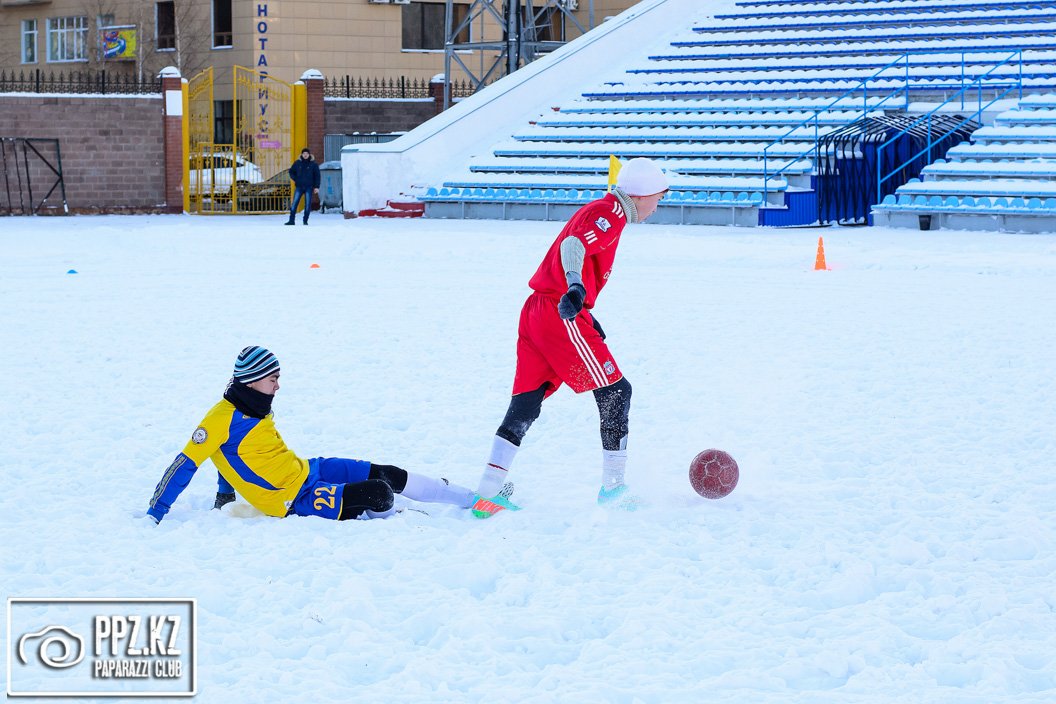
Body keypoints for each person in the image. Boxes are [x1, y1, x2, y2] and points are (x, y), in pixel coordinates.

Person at [471, 158, 669, 519]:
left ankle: (488, 492)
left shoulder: (606, 211)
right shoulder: (610, 213)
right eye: (659, 197)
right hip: (558, 312)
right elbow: (573, 245)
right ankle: (613, 490)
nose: (658, 206)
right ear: (642, 195)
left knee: (527, 402)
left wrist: (586, 309)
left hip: (538, 310)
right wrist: (576, 287)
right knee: (615, 392)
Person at [147, 346, 476, 524]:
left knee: (387, 473)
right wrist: (155, 513)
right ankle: (406, 519)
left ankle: (472, 500)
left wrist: (224, 495)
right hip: (291, 499)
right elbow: (186, 463)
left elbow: (230, 455)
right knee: (379, 493)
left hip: (308, 469)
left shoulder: (257, 405)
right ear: (252, 380)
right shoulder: (220, 419)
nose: (278, 385)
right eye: (273, 379)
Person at [285, 147, 320, 226]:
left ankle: (305, 221)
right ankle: (291, 221)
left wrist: (316, 187)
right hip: (299, 186)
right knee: (294, 204)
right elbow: (291, 171)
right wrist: (296, 179)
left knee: (307, 205)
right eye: (304, 153)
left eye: (307, 154)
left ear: (309, 155)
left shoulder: (313, 164)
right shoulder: (297, 163)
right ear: (301, 154)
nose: (305, 155)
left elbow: (317, 176)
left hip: (309, 187)